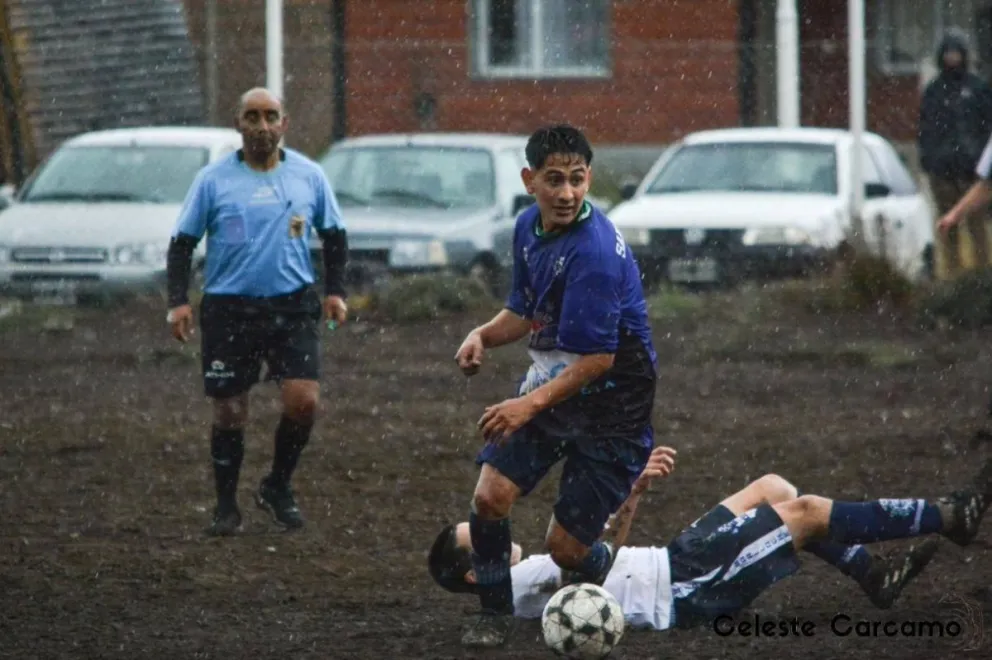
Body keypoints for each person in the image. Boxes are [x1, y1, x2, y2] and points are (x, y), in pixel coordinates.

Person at [452, 124, 658, 648]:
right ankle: (494, 615)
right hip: (557, 383)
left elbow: (599, 358)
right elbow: (526, 309)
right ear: (530, 181)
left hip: (614, 402)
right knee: (491, 496)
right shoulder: (528, 228)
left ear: (589, 179)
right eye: (554, 180)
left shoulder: (592, 253)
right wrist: (483, 334)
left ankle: (603, 563)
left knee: (566, 549)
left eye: (578, 180)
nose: (567, 194)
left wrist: (525, 406)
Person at [429, 446, 992, 634]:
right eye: (478, 542)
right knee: (806, 512)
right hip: (684, 589)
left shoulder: (520, 589)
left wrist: (633, 493)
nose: (490, 537)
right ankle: (948, 517)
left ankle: (871, 575)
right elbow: (587, 567)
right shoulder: (520, 584)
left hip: (672, 560)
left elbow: (597, 562)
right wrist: (626, 489)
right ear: (475, 573)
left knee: (771, 487)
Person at [165, 87, 349, 536]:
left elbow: (335, 234)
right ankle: (225, 505)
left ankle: (276, 485)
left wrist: (335, 291)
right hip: (229, 309)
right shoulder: (213, 180)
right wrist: (178, 301)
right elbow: (182, 243)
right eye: (252, 117)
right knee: (230, 412)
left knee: (304, 401)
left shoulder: (308, 175)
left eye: (270, 117)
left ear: (284, 124)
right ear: (238, 124)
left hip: (292, 303)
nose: (262, 126)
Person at [920, 29, 992, 276]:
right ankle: (952, 279)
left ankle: (981, 279)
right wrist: (930, 160)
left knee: (977, 227)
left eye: (956, 53)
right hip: (942, 171)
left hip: (973, 171)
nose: (952, 59)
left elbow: (986, 126)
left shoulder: (978, 89)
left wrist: (980, 160)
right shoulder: (934, 91)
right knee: (948, 227)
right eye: (948, 54)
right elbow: (925, 128)